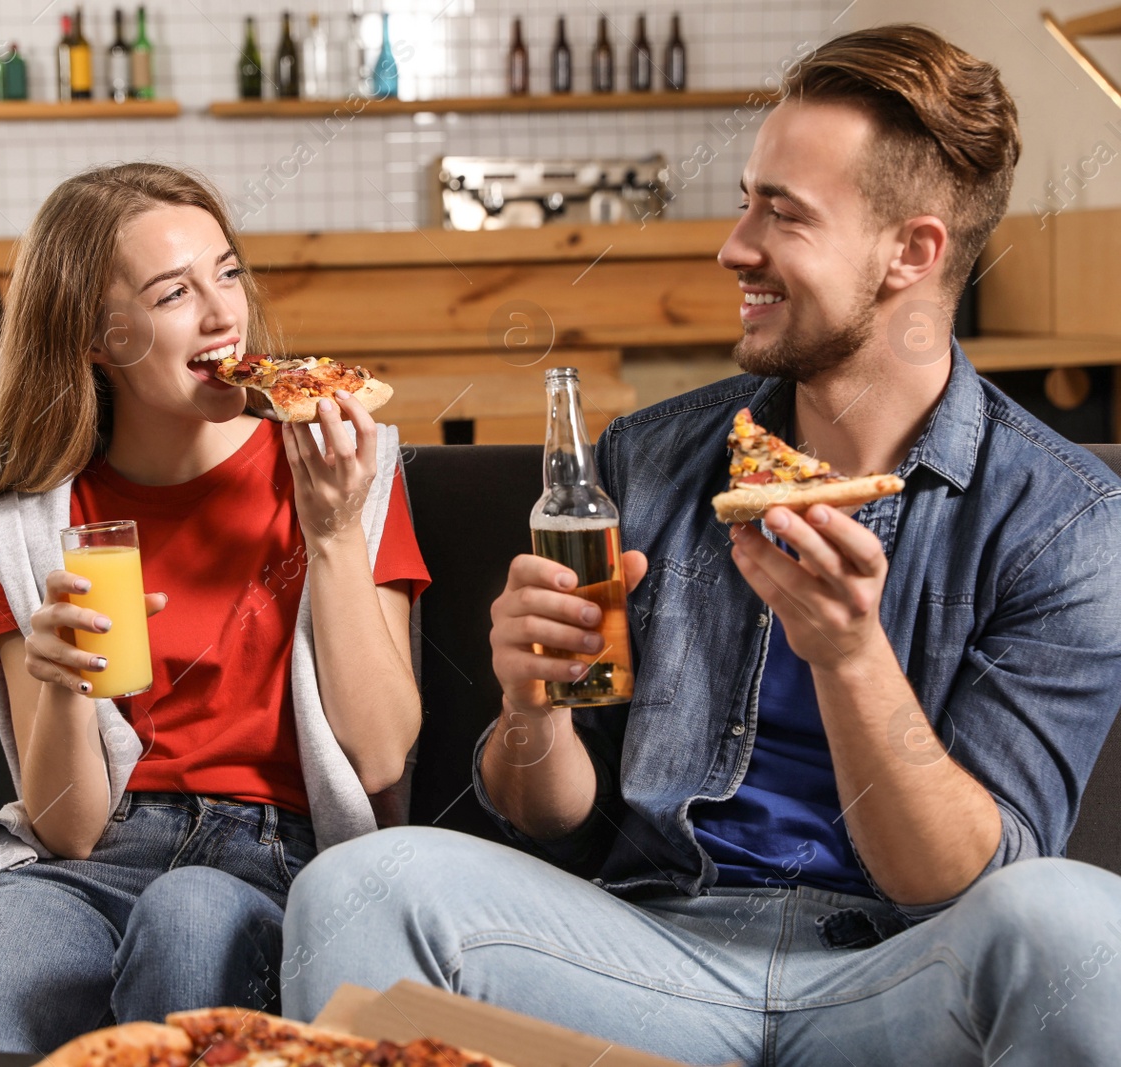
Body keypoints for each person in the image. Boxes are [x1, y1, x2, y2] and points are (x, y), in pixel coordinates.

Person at [282, 25, 1121, 1065]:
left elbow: (962, 880)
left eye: (782, 214)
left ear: (911, 251)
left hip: (897, 980)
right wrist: (527, 707)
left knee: (1082, 923)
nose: (734, 246)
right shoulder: (653, 457)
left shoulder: (1068, 519)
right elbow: (554, 820)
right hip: (649, 953)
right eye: (743, 201)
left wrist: (850, 658)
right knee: (354, 887)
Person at [0, 162, 429, 1053]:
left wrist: (333, 534)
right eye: (173, 292)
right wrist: (65, 685)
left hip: (279, 857)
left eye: (227, 273)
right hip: (95, 858)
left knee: (189, 916)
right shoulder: (28, 528)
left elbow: (380, 756)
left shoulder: (344, 476)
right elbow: (67, 828)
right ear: (96, 338)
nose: (225, 313)